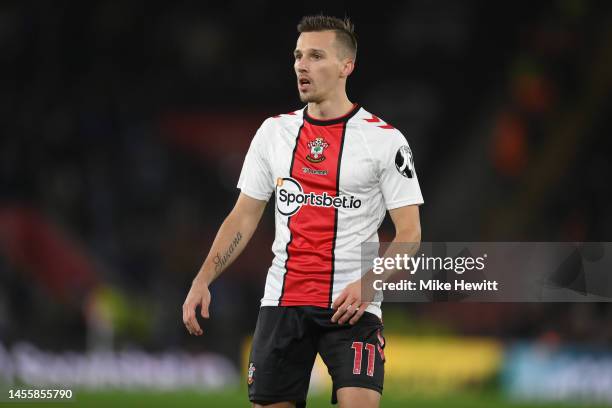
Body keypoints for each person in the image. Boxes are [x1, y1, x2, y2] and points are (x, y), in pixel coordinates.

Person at [183, 15, 423, 408]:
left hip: (352, 307)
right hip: (283, 304)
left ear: (346, 66)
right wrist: (203, 277)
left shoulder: (385, 141)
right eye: (298, 56)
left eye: (315, 56)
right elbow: (243, 216)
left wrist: (368, 284)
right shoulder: (274, 133)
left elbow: (410, 233)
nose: (301, 65)